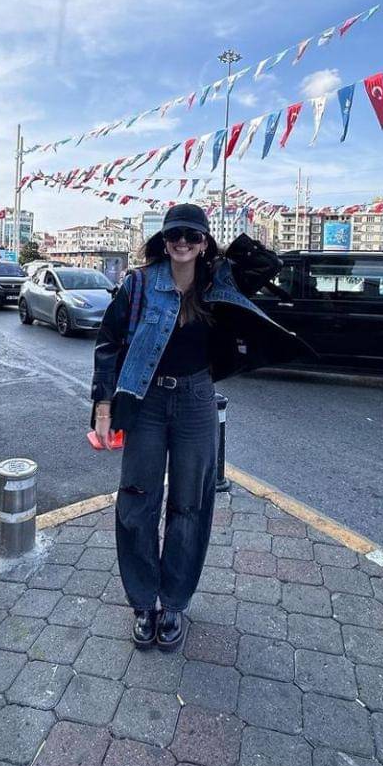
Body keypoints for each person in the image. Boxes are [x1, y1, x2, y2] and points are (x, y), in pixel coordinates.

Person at [91, 204, 289, 652]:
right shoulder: (138, 284)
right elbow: (108, 345)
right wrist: (104, 408)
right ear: (163, 241)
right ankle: (144, 602)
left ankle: (174, 602)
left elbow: (268, 263)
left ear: (205, 243)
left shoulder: (218, 282)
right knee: (138, 500)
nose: (182, 242)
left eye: (193, 236)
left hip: (198, 400)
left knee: (191, 504)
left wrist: (221, 257)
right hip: (145, 400)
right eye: (175, 235)